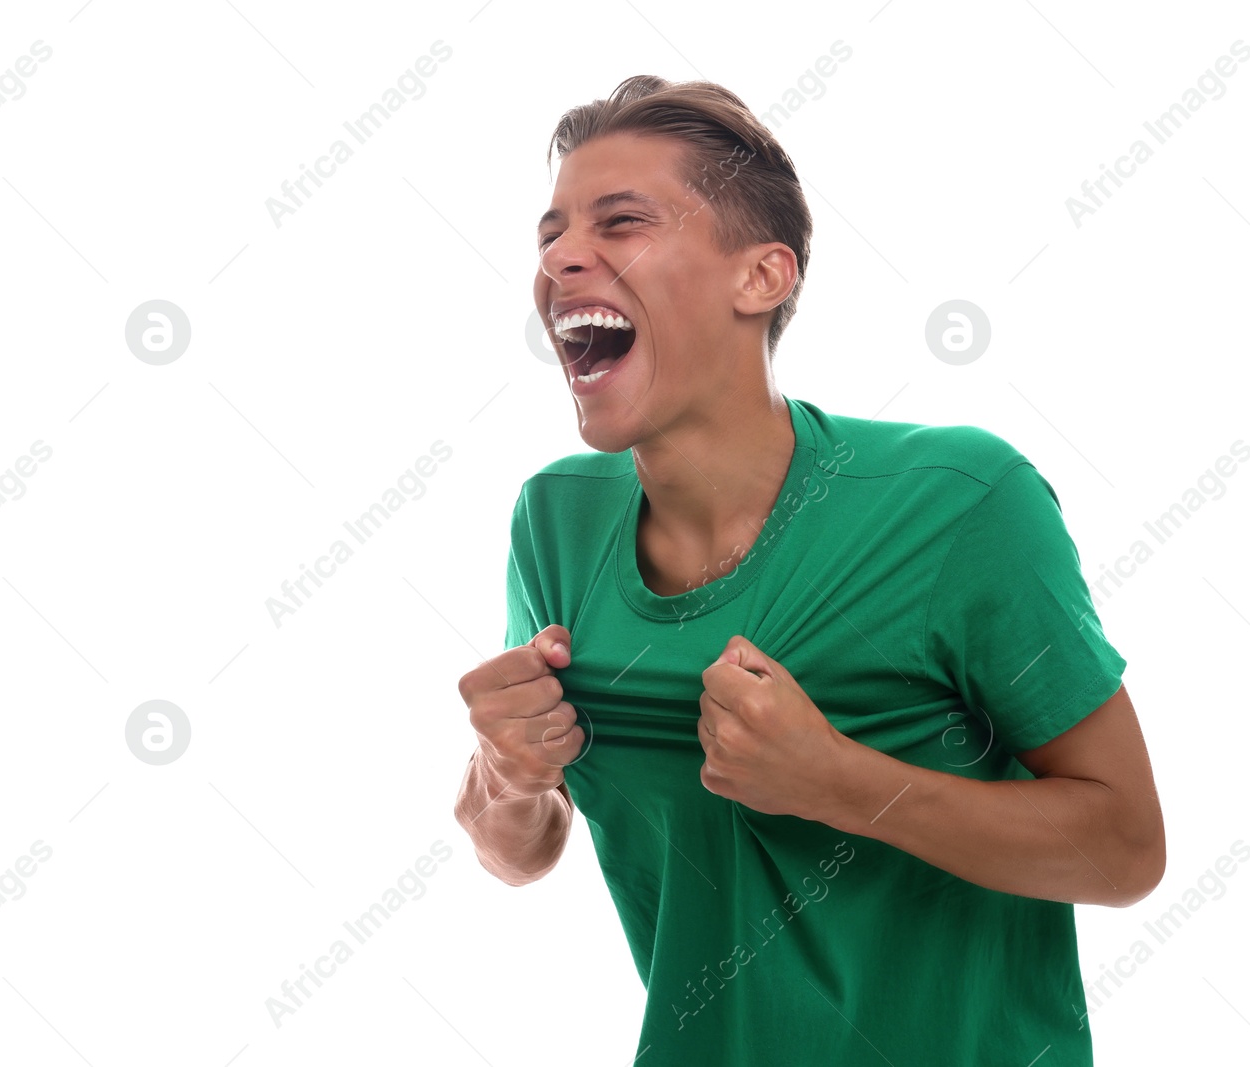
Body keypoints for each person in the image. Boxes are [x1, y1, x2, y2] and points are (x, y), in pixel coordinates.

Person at [454, 73, 1165, 1066]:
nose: (563, 257)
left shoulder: (961, 500)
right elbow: (516, 846)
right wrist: (511, 773)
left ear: (762, 277)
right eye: (550, 234)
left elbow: (1127, 846)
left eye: (621, 223)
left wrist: (842, 783)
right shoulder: (556, 519)